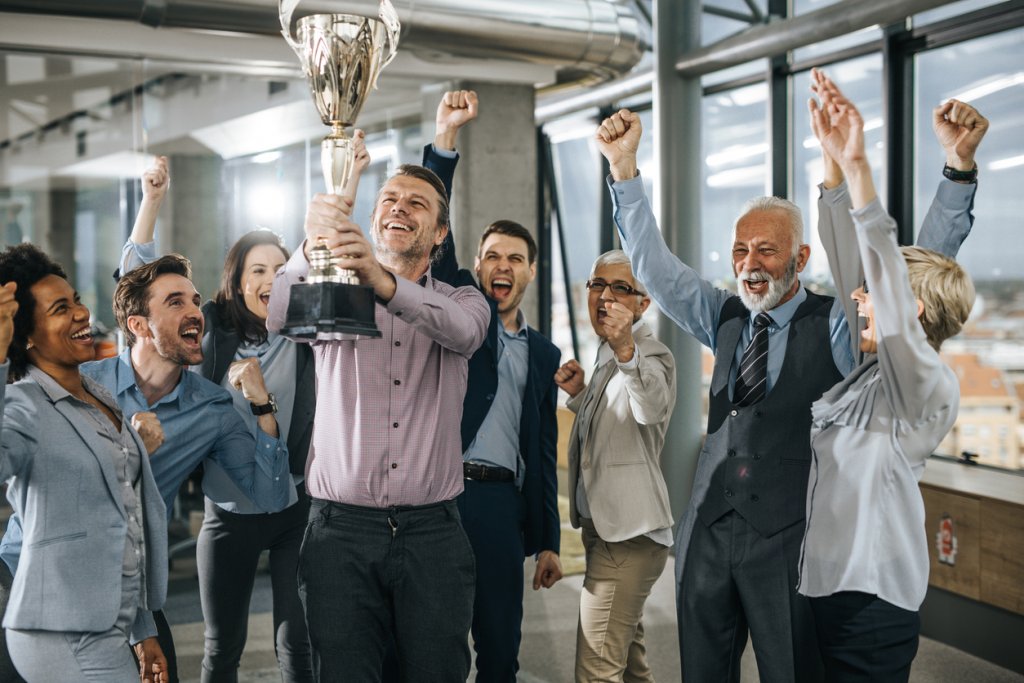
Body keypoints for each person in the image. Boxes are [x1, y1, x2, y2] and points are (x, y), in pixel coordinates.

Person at [595, 93, 985, 681]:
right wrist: (623, 170)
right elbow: (653, 267)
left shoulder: (838, 323)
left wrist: (956, 174)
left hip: (788, 541)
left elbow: (906, 280)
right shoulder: (722, 314)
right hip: (706, 531)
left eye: (766, 250)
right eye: (739, 250)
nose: (748, 264)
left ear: (801, 257)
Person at [121, 144, 370, 682]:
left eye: (281, 269)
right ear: (237, 282)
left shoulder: (303, 327)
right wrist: (152, 201)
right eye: (258, 270)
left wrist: (345, 181)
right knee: (221, 647)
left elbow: (325, 250)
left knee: (297, 644)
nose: (271, 279)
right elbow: (138, 286)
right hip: (227, 514)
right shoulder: (208, 328)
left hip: (295, 507)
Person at [266, 160, 490, 682]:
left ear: (439, 232)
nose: (399, 207)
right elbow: (278, 315)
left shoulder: (463, 299)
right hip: (338, 532)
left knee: (439, 672)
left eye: (417, 203)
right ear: (372, 220)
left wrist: (383, 282)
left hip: (433, 533)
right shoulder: (337, 294)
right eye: (390, 199)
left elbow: (461, 332)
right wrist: (311, 242)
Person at [798, 70, 975, 682]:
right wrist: (830, 159)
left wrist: (860, 165)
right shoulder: (868, 378)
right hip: (822, 590)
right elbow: (850, 252)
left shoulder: (923, 388)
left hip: (871, 605)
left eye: (873, 296)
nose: (857, 299)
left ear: (910, 310)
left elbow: (881, 270)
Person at [412, 90, 562, 683]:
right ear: (477, 265)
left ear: (528, 270)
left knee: (501, 651)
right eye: (492, 256)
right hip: (441, 496)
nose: (502, 266)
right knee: (433, 643)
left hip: (501, 507)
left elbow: (543, 453)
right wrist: (445, 138)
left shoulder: (544, 351)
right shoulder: (460, 312)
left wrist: (547, 540)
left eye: (515, 258)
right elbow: (438, 245)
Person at [0, 244, 167, 682]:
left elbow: (123, 521)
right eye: (61, 308)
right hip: (59, 628)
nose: (81, 313)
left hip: (110, 619)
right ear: (27, 336)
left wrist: (142, 629)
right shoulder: (22, 404)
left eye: (75, 300)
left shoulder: (97, 396)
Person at [554, 249, 676, 682]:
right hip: (606, 529)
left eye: (621, 288)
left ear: (642, 303)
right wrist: (581, 394)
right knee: (628, 665)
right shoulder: (608, 353)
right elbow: (616, 428)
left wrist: (626, 346)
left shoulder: (650, 353)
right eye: (597, 285)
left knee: (597, 670)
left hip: (627, 536)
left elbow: (649, 407)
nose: (605, 296)